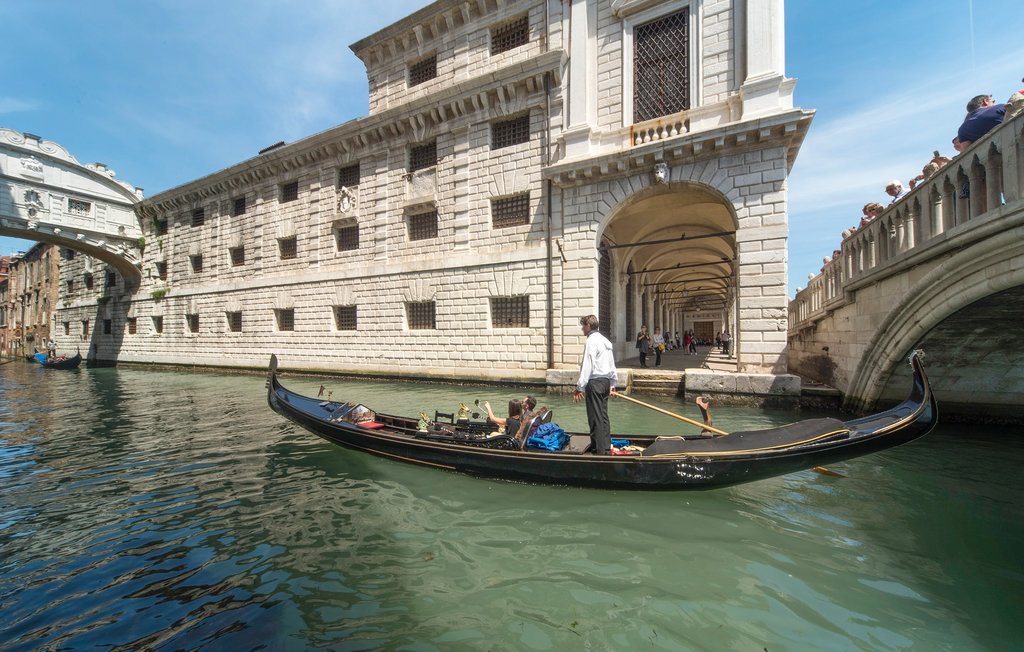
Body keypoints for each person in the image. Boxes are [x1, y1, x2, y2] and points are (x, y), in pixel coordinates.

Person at [573, 314, 617, 455]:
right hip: (605, 382)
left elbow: (588, 365)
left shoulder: (591, 341)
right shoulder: (605, 341)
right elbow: (612, 364)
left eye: (583, 326)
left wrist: (580, 387)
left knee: (595, 417)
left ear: (588, 326)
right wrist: (612, 384)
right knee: (603, 416)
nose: (582, 329)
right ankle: (605, 447)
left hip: (595, 383)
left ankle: (599, 451)